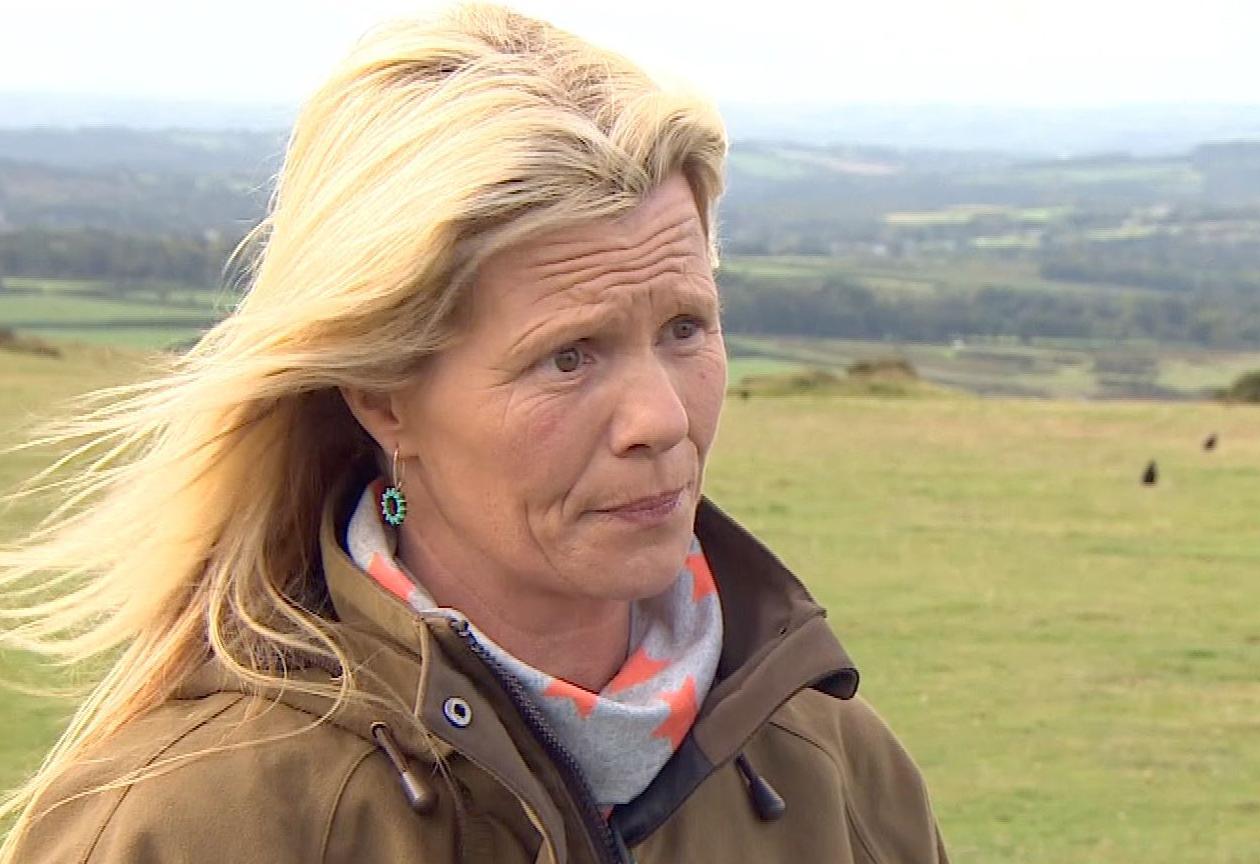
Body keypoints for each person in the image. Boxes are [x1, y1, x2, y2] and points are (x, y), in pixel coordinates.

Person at [0, 5, 947, 862]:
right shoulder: (194, 822)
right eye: (568, 356)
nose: (662, 419)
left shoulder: (831, 768)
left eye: (685, 329)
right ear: (383, 396)